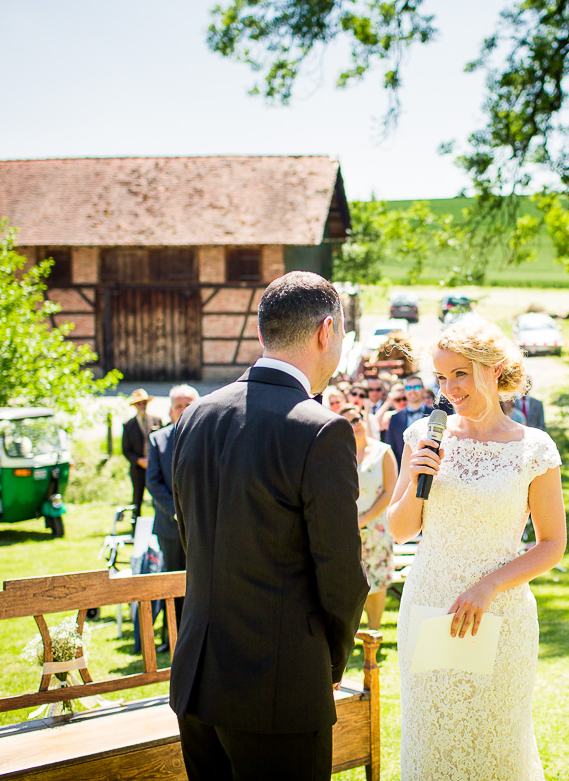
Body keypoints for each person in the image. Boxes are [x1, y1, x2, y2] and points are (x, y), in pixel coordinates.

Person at [169, 271, 368, 781]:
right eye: (342, 336)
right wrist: (327, 665)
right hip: (278, 687)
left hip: (196, 678)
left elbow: (192, 539)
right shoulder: (320, 429)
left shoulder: (195, 417)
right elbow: (343, 576)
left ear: (263, 334)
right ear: (327, 331)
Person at [388, 317, 566, 780]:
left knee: (497, 741)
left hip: (501, 611)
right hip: (431, 603)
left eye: (459, 374)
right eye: (442, 378)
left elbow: (551, 545)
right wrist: (418, 480)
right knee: (434, 738)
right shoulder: (423, 435)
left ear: (494, 368)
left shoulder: (535, 449)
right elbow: (400, 529)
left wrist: (488, 586)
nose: (449, 389)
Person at [145, 384, 200, 652]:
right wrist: (177, 511)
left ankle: (201, 635)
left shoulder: (207, 436)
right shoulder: (159, 440)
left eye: (189, 404)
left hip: (203, 525)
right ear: (170, 410)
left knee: (201, 581)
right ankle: (174, 637)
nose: (184, 409)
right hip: (171, 526)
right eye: (179, 405)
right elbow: (154, 484)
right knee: (174, 581)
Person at [340, 404, 397, 631]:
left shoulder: (383, 451)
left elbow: (390, 490)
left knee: (377, 581)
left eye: (357, 420)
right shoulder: (339, 454)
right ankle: (349, 634)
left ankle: (374, 631)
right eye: (348, 423)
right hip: (346, 529)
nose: (355, 426)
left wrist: (364, 519)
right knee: (349, 583)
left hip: (375, 527)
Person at [122, 388, 163, 523]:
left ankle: (158, 523)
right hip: (138, 467)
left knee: (157, 497)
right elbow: (126, 450)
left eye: (144, 403)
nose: (142, 406)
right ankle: (135, 525)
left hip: (154, 465)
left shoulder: (156, 420)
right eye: (139, 403)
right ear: (135, 406)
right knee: (137, 497)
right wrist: (139, 460)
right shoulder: (129, 425)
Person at [385, 373, 434, 468]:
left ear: (423, 390)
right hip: (403, 471)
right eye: (408, 388)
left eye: (416, 387)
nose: (412, 391)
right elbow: (391, 449)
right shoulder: (395, 418)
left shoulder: (434, 415)